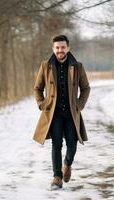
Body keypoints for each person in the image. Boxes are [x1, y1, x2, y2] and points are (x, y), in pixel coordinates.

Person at [33, 35, 90, 190]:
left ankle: (67, 164)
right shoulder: (46, 66)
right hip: (54, 114)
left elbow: (86, 88)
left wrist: (79, 104)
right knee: (56, 144)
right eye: (57, 47)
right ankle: (57, 177)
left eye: (63, 47)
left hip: (71, 113)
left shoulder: (77, 66)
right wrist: (41, 103)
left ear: (68, 48)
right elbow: (37, 88)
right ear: (53, 49)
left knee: (72, 144)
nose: (60, 50)